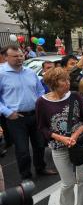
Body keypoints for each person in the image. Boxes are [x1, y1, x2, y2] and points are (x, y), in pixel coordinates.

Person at [35, 67, 83, 205]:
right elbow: (42, 127)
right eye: (63, 80)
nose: (68, 83)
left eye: (68, 79)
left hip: (79, 144)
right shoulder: (42, 102)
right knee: (67, 182)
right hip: (58, 147)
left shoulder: (75, 96)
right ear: (53, 83)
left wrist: (75, 135)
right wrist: (61, 138)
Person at [0, 45, 57, 180]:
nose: (19, 58)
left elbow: (40, 91)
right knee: (23, 150)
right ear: (6, 57)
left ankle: (40, 168)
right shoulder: (1, 74)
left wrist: (40, 105)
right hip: (15, 118)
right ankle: (25, 176)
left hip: (35, 115)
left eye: (21, 55)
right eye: (15, 56)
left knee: (39, 145)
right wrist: (8, 112)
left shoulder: (30, 72)